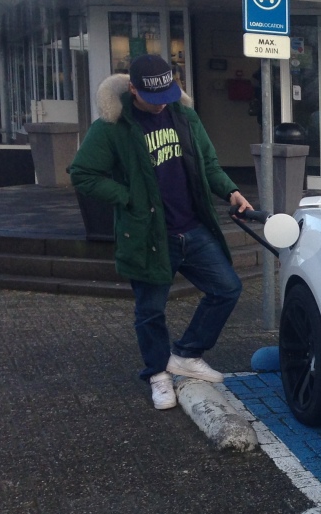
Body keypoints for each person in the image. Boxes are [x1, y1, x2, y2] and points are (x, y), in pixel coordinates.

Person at [70, 54, 253, 410]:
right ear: (133, 89)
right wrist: (128, 198)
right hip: (150, 235)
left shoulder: (184, 115)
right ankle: (157, 374)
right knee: (150, 310)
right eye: (152, 100)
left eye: (166, 96)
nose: (160, 107)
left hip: (193, 228)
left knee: (227, 289)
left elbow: (209, 164)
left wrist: (230, 191)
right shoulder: (112, 127)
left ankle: (185, 353)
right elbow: (83, 174)